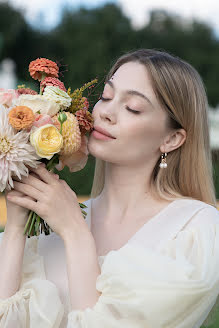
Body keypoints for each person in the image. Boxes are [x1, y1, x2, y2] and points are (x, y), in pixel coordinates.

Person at [0, 48, 219, 327]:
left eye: (133, 108)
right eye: (106, 96)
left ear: (172, 139)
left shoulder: (193, 228)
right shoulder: (48, 220)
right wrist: (16, 230)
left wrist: (75, 232)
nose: (106, 112)